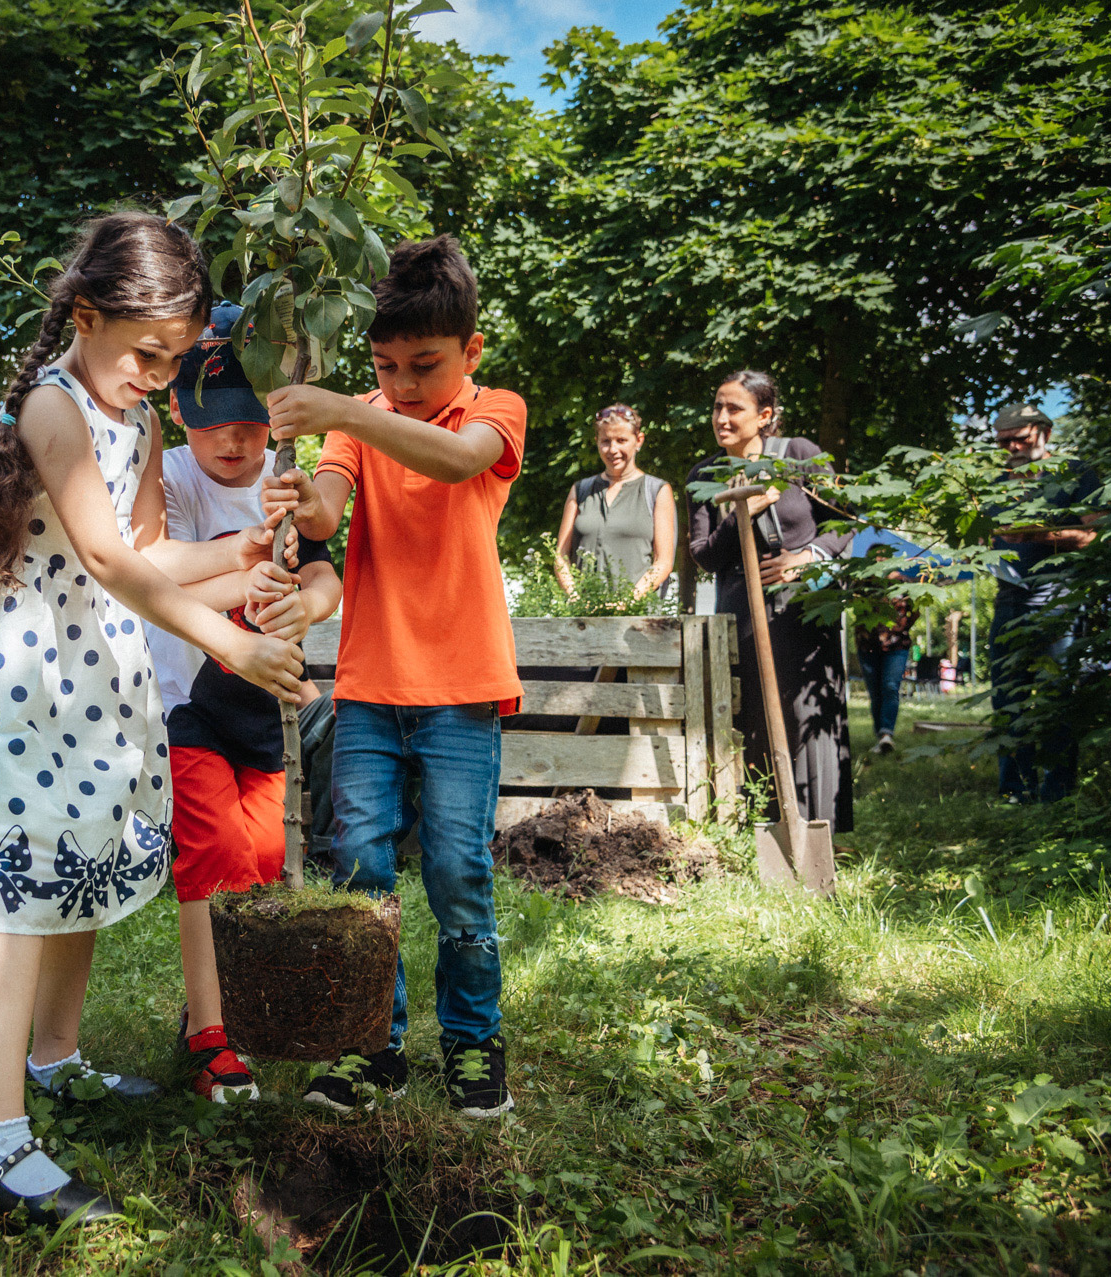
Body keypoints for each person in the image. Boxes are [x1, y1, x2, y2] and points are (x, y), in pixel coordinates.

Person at [0, 212, 301, 1223]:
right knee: (10, 882)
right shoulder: (53, 407)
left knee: (79, 852)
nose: (159, 375)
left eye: (174, 359)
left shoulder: (145, 418)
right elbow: (111, 559)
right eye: (145, 353)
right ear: (84, 315)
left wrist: (247, 552)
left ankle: (55, 1059)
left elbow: (157, 556)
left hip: (81, 667)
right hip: (1, 665)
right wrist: (228, 642)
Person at [262, 233, 527, 1120]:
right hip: (371, 688)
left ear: (471, 352)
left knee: (457, 871)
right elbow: (330, 509)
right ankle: (373, 1045)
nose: (404, 383)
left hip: (462, 692)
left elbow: (454, 460)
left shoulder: (497, 411)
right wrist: (297, 501)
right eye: (386, 365)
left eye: (425, 364)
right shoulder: (355, 425)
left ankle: (472, 1040)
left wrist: (353, 404)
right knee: (363, 870)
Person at [150, 302, 343, 1104]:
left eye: (252, 420)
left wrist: (310, 603)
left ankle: (235, 1009)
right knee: (214, 859)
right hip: (185, 703)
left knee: (263, 864)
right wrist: (247, 576)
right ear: (177, 409)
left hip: (268, 713)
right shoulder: (171, 479)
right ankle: (210, 1037)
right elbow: (156, 575)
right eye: (212, 422)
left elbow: (325, 572)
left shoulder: (287, 478)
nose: (233, 440)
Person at [686, 369, 854, 832]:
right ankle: (761, 826)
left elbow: (844, 523)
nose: (721, 417)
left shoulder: (800, 455)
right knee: (752, 712)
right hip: (739, 607)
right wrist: (746, 510)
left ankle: (820, 829)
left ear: (764, 416)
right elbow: (704, 556)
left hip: (803, 608)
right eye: (717, 407)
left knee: (806, 711)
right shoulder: (703, 476)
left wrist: (807, 557)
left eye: (733, 408)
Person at [987, 403, 1098, 803]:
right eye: (1004, 441)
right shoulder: (992, 484)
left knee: (1056, 697)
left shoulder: (1075, 473)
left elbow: (1095, 536)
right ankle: (1015, 791)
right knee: (1007, 698)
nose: (1013, 446)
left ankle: (1057, 792)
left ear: (1044, 433)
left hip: (1060, 597)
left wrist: (1041, 535)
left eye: (1021, 437)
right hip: (1008, 598)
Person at [553, 403, 675, 598]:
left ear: (638, 440)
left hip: (637, 618)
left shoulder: (657, 491)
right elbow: (561, 557)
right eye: (606, 441)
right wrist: (575, 597)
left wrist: (628, 602)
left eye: (621, 440)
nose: (613, 449)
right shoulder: (580, 490)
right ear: (597, 441)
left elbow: (663, 562)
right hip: (584, 617)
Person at [853, 548, 917, 755]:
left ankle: (886, 733)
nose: (880, 560)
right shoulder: (862, 584)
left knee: (890, 687)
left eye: (884, 556)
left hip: (896, 645)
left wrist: (901, 628)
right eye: (875, 557)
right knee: (875, 692)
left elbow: (915, 610)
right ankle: (880, 736)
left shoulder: (904, 583)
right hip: (867, 644)